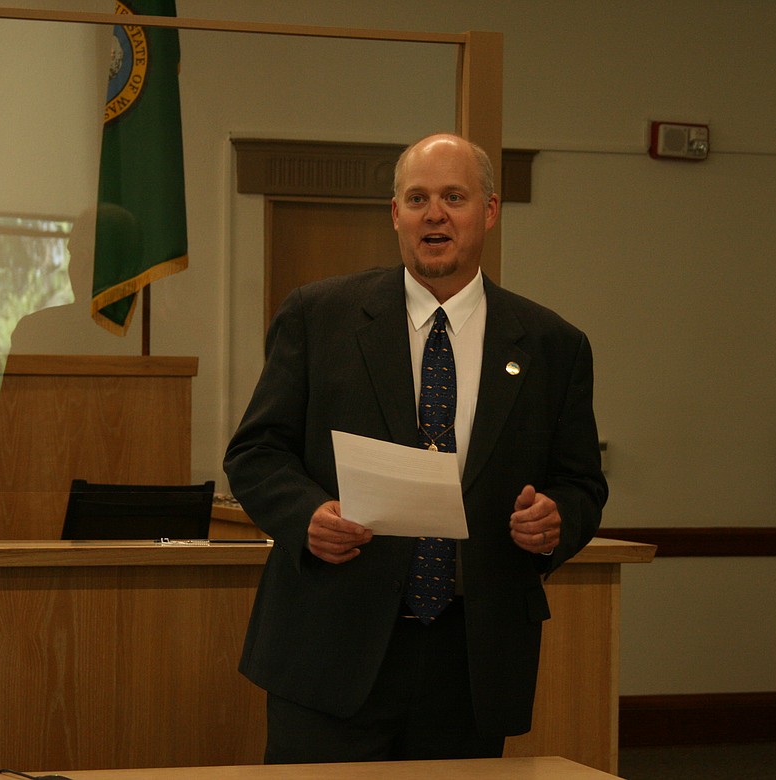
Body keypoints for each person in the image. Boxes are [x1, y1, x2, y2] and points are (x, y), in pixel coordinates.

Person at [223, 133, 608, 763]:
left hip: (471, 659)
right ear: (394, 214)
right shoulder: (319, 317)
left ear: (488, 211)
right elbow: (256, 452)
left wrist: (555, 520)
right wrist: (306, 517)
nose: (435, 213)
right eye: (418, 198)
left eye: (454, 197)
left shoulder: (552, 344)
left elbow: (582, 484)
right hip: (330, 647)